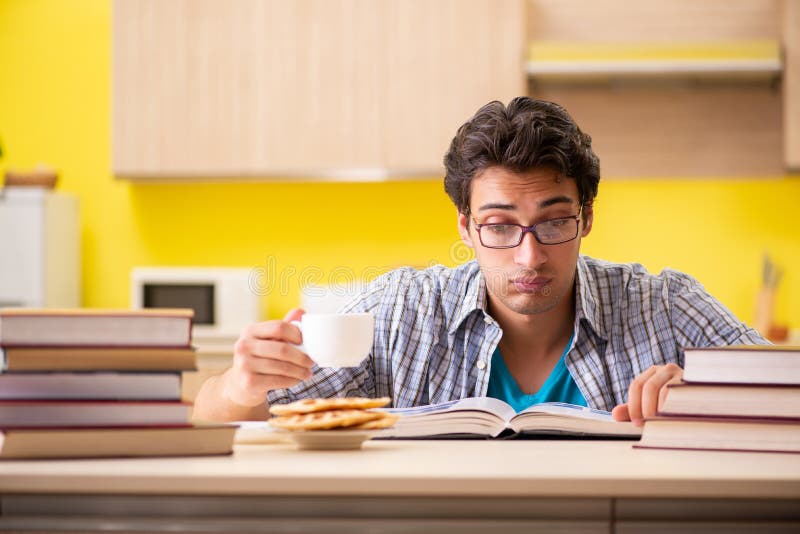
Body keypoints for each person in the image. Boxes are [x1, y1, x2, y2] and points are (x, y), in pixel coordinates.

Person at [193, 96, 768, 425]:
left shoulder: (662, 304)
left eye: (553, 221)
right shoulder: (400, 313)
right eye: (499, 226)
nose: (530, 253)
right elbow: (212, 419)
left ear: (586, 218)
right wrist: (241, 388)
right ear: (466, 227)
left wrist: (706, 392)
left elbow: (784, 397)